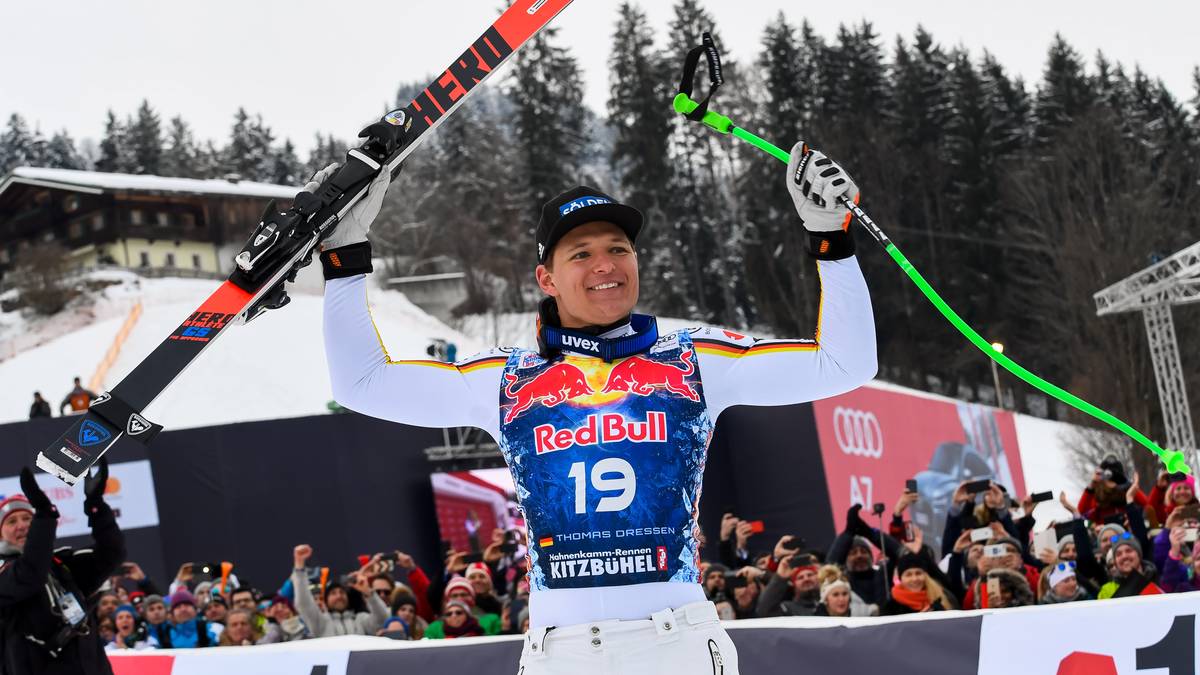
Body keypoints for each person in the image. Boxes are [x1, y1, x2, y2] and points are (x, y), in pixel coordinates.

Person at [319, 140, 875, 672]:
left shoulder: (694, 360)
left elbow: (846, 363)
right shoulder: (509, 378)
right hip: (561, 655)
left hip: (674, 643)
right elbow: (363, 382)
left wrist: (831, 238)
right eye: (581, 253)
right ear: (546, 278)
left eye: (618, 249)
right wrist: (345, 259)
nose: (605, 264)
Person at [0, 460, 125, 675]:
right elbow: (31, 574)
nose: (21, 525)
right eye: (11, 522)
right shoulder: (5, 573)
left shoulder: (62, 564)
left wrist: (96, 507)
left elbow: (111, 554)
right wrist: (43, 514)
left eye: (27, 518)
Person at [291, 545, 389, 636]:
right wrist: (299, 567)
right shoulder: (320, 622)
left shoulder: (361, 619)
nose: (339, 596)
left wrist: (369, 593)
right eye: (333, 593)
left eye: (342, 592)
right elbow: (303, 604)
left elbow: (383, 619)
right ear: (326, 600)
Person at [880, 554, 956, 615]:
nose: (915, 579)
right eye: (908, 575)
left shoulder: (942, 597)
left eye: (918, 573)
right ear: (901, 579)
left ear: (925, 576)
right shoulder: (890, 608)